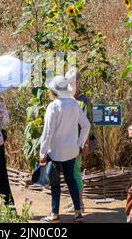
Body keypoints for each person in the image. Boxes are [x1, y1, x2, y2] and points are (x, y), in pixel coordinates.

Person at [39, 75, 91, 223]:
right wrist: (79, 143)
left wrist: (43, 152)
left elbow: (48, 132)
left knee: (55, 182)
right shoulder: (74, 104)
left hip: (55, 152)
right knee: (71, 180)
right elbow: (86, 125)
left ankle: (54, 214)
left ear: (53, 91)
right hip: (71, 151)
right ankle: (78, 213)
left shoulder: (53, 106)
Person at [64, 68, 96, 213]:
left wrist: (86, 144)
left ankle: (80, 203)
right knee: (71, 171)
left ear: (78, 83)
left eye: (72, 83)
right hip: (69, 141)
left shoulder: (84, 101)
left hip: (78, 142)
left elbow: (88, 123)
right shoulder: (69, 99)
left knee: (75, 171)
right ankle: (75, 201)